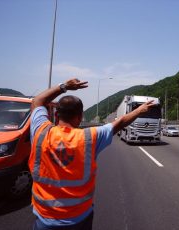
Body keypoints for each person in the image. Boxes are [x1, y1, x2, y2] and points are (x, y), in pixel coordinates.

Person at [29, 78, 155, 230]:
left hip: (44, 219)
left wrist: (64, 86)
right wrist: (139, 110)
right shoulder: (90, 138)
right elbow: (120, 123)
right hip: (79, 219)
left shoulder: (40, 132)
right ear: (80, 117)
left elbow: (37, 101)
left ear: (56, 115)